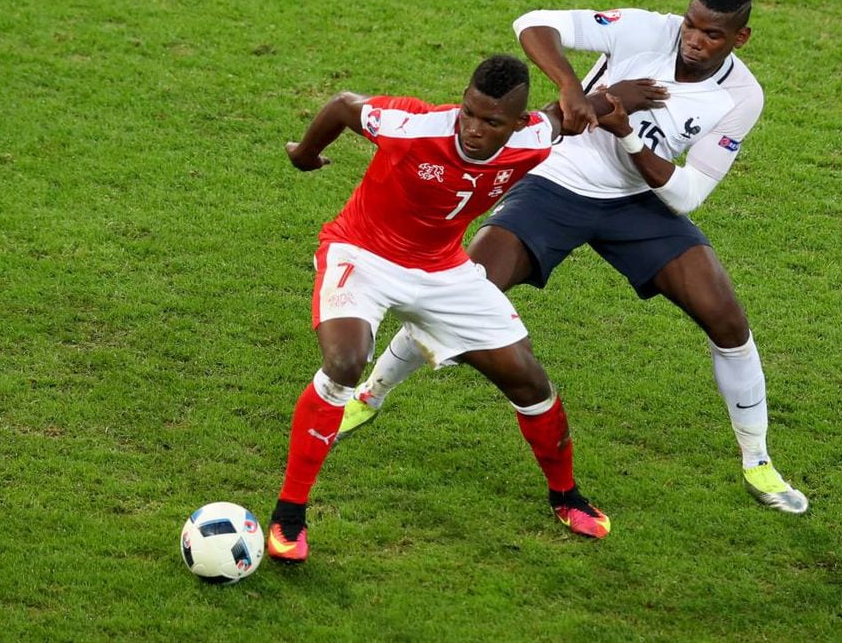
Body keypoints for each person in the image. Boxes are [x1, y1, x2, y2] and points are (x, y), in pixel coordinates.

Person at [342, 0, 809, 515]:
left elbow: (687, 194)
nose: (694, 40)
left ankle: (757, 460)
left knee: (726, 318)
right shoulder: (642, 29)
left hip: (640, 203)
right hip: (556, 183)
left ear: (740, 38)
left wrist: (625, 130)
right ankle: (368, 395)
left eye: (712, 34)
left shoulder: (742, 97)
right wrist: (569, 87)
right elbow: (532, 22)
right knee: (465, 284)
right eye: (690, 25)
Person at [268, 55, 667, 564]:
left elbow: (572, 112)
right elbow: (345, 106)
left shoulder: (534, 137)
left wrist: (622, 97)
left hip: (444, 271)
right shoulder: (412, 126)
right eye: (469, 114)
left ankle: (565, 495)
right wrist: (304, 153)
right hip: (365, 253)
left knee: (527, 378)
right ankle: (290, 514)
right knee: (346, 361)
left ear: (517, 123)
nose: (474, 130)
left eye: (492, 122)